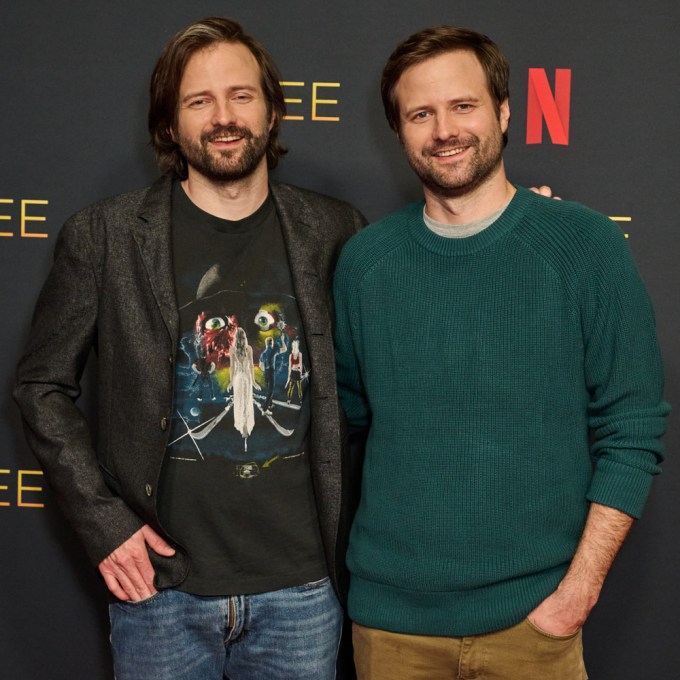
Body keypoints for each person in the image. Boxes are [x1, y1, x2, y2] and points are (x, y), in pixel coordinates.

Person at [13, 17, 366, 680]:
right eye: (199, 101)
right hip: (160, 594)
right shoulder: (105, 235)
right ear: (170, 125)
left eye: (241, 95)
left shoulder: (335, 230)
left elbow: (390, 356)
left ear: (273, 111)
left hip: (302, 590)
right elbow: (41, 387)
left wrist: (509, 225)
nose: (223, 117)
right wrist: (105, 524)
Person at [333, 26, 669, 680]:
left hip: (535, 624)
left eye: (464, 106)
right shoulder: (365, 264)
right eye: (421, 114)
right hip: (391, 628)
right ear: (398, 131)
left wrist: (577, 594)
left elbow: (632, 428)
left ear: (504, 111)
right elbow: (343, 424)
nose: (444, 130)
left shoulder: (585, 245)